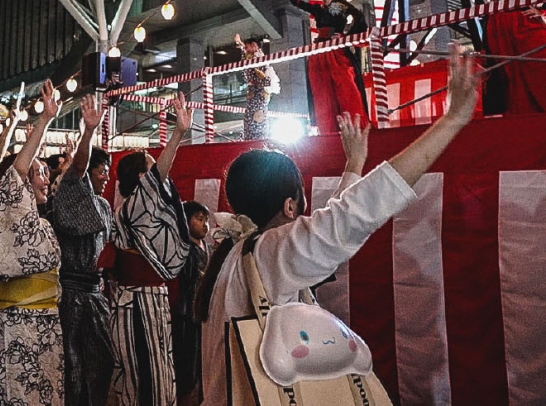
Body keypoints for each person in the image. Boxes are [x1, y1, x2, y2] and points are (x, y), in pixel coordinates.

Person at [199, 46, 479, 405]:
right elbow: (350, 217)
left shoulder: (234, 254)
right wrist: (451, 120)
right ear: (289, 206)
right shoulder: (272, 252)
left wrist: (354, 164)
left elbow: (333, 229)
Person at [0, 80, 64, 405]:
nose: (46, 178)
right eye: (39, 172)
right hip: (15, 329)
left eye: (46, 172)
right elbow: (16, 172)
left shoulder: (41, 223)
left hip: (46, 329)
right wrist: (44, 121)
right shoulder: (10, 205)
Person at [105, 93, 192, 406]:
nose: (161, 175)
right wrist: (178, 133)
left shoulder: (136, 209)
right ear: (143, 181)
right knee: (147, 378)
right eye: (152, 168)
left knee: (152, 373)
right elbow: (158, 178)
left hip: (147, 299)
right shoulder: (134, 208)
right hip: (139, 302)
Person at [50, 96, 113, 406]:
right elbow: (78, 167)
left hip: (96, 293)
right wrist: (89, 132)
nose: (107, 177)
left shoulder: (104, 206)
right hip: (71, 293)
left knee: (102, 363)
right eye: (102, 171)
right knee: (72, 367)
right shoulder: (71, 190)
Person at [285, 0, 369, 134]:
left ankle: (355, 126)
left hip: (336, 51)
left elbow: (359, 17)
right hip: (320, 51)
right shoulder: (319, 9)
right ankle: (328, 129)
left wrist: (346, 37)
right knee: (322, 92)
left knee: (346, 87)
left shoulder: (340, 5)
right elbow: (297, 2)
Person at [171, 201, 210, 406]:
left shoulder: (209, 248)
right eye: (199, 219)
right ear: (185, 222)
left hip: (203, 317)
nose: (205, 225)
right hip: (186, 315)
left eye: (206, 220)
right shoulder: (184, 249)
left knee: (202, 369)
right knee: (186, 370)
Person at [234, 34, 278, 141]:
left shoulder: (259, 58)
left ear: (254, 45)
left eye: (247, 47)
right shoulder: (252, 57)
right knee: (251, 118)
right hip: (255, 92)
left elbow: (265, 80)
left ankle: (257, 140)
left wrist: (257, 81)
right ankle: (251, 139)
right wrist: (240, 43)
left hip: (259, 93)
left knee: (256, 118)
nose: (246, 50)